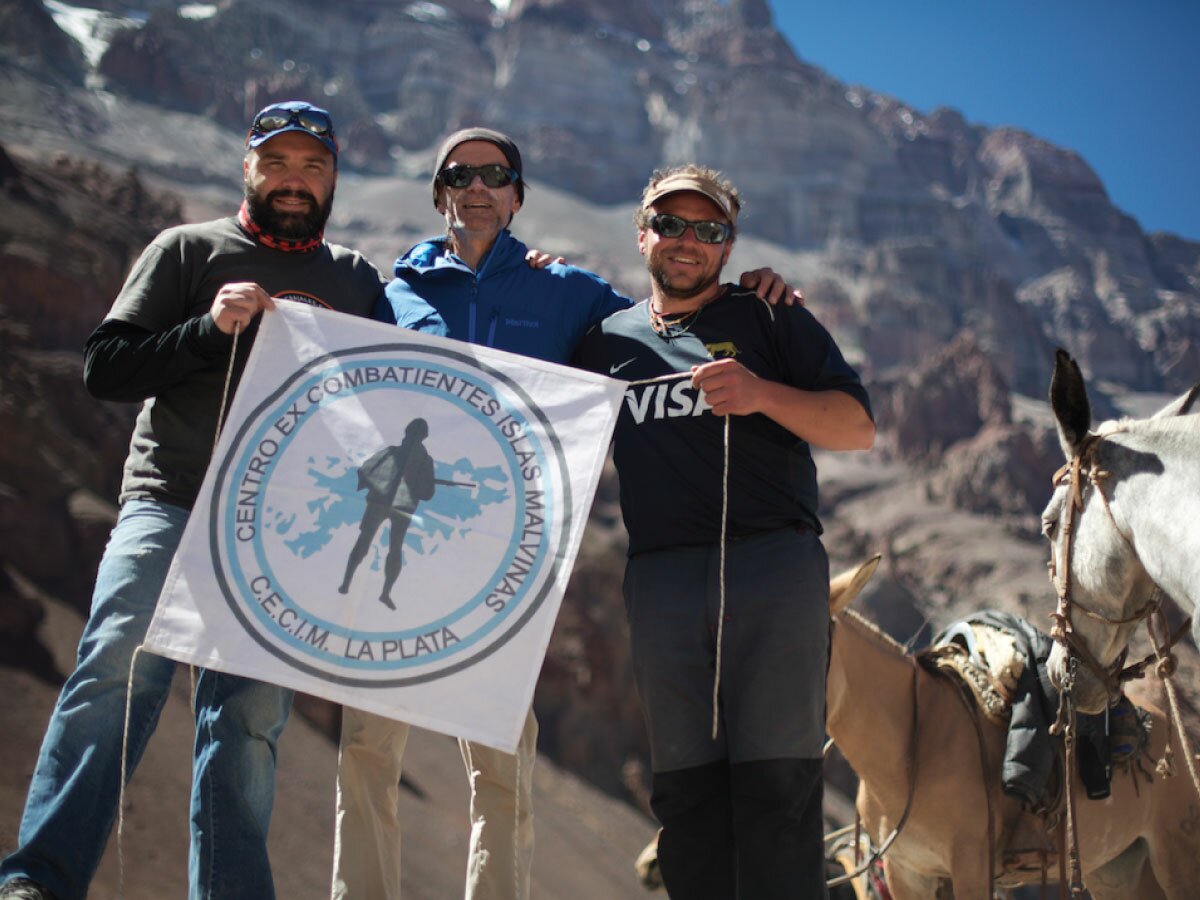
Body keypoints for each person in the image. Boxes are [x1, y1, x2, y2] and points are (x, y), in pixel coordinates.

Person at [334, 127, 799, 900]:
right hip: (406, 550)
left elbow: (668, 324)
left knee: (502, 768)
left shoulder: (568, 292)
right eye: (460, 174)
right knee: (367, 749)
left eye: (496, 175)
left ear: (516, 196)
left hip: (500, 559)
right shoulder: (398, 291)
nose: (478, 186)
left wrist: (754, 296)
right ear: (440, 191)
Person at [0, 101, 441, 900]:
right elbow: (105, 368)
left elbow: (404, 388)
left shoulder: (352, 280)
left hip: (280, 534)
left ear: (334, 176)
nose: (295, 180)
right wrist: (208, 329)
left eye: (312, 166)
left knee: (246, 728)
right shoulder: (187, 250)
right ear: (249, 166)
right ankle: (39, 880)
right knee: (112, 680)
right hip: (168, 502)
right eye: (278, 162)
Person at [573, 164, 876, 899]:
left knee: (779, 788)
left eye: (708, 230)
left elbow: (858, 428)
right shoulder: (604, 342)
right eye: (670, 224)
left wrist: (762, 394)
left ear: (728, 247)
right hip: (664, 584)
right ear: (641, 233)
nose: (687, 242)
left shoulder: (770, 318)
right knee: (684, 798)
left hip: (774, 569)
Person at [339, 418, 437, 608]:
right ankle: (348, 583)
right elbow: (366, 470)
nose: (412, 438)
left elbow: (427, 493)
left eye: (415, 435)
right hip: (384, 503)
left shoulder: (417, 458)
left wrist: (416, 483)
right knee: (368, 542)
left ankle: (380, 592)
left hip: (397, 506)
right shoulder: (397, 454)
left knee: (390, 547)